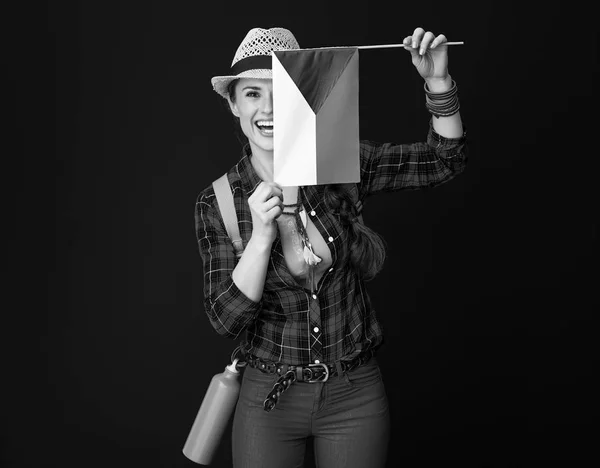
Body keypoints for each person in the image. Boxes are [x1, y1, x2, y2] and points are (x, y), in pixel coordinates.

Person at [195, 26, 467, 468]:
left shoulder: (338, 164)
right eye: (250, 94)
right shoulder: (218, 201)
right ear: (232, 104)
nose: (266, 109)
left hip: (353, 393)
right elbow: (225, 319)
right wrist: (262, 237)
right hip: (269, 400)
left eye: (280, 92)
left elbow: (444, 160)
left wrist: (437, 82)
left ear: (302, 98)